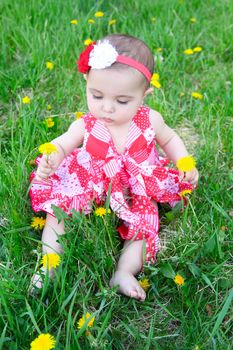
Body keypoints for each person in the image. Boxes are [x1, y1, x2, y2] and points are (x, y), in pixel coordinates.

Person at [30, 34, 199, 301]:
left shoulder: (150, 120)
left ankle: (124, 271)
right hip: (91, 179)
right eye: (96, 95)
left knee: (145, 224)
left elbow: (169, 139)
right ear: (87, 83)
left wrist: (184, 161)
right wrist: (53, 155)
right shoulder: (86, 124)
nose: (107, 107)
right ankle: (49, 264)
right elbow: (64, 143)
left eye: (122, 101)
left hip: (136, 185)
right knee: (57, 211)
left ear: (145, 94)